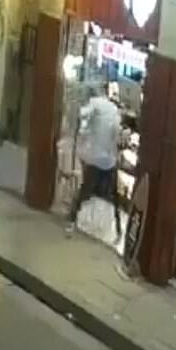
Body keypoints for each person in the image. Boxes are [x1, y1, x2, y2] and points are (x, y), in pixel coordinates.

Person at [68, 85, 123, 237]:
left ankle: (71, 221)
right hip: (109, 160)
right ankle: (119, 230)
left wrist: (81, 133)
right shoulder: (114, 110)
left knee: (84, 190)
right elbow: (117, 135)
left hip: (93, 157)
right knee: (114, 196)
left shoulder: (95, 103)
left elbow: (81, 115)